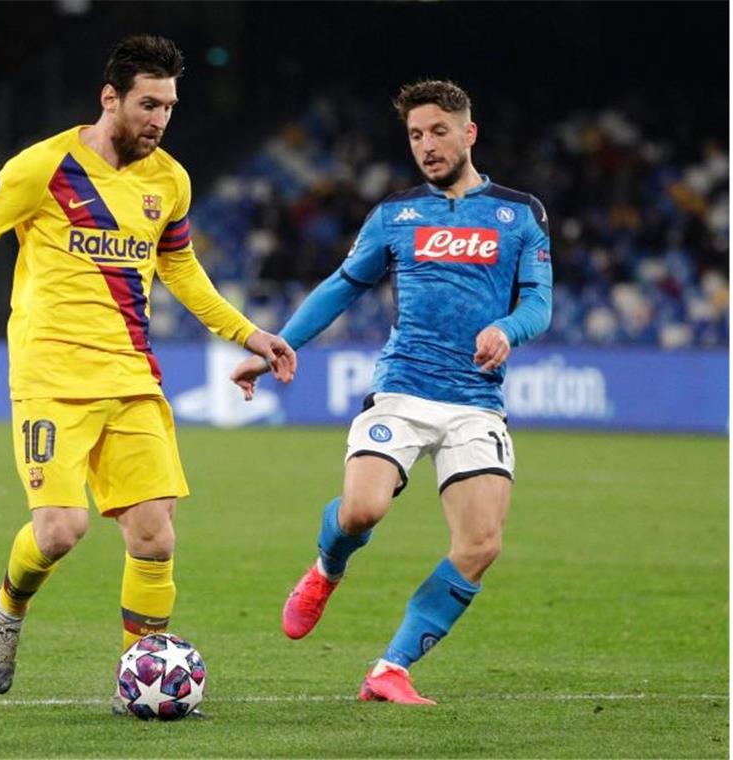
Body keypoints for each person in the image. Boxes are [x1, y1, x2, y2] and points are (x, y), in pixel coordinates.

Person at [0, 34, 296, 700]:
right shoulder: (44, 166)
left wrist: (247, 332)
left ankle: (137, 681)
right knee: (61, 531)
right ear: (110, 98)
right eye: (148, 104)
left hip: (131, 376)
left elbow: (179, 266)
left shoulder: (169, 180)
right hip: (51, 381)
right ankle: (8, 605)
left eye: (170, 107)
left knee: (154, 537)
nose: (159, 119)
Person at [231, 79, 552, 705]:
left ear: (469, 133)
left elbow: (539, 300)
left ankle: (391, 668)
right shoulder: (396, 216)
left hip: (475, 402)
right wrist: (276, 346)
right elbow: (341, 286)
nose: (426, 145)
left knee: (482, 544)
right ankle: (327, 568)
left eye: (437, 131)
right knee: (362, 512)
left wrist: (507, 328)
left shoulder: (519, 213)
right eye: (414, 135)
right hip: (403, 389)